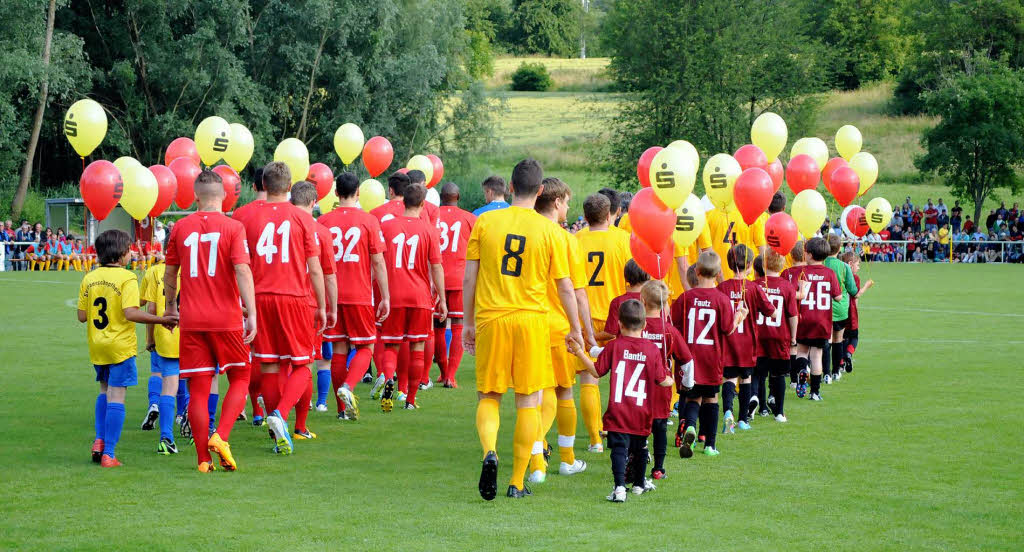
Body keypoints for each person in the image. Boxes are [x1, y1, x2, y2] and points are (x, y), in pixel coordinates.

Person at [464, 158, 583, 500]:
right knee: (528, 401)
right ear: (541, 191)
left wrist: (468, 322)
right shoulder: (550, 232)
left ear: (511, 187)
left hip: (492, 317)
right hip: (532, 321)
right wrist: (575, 329)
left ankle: (490, 451)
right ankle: (517, 481)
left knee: (489, 395)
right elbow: (564, 287)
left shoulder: (485, 221)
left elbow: (469, 276)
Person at [163, 170, 255, 472]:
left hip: (192, 319)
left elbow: (169, 274)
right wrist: (251, 312)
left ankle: (203, 460)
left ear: (195, 195)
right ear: (224, 195)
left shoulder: (180, 227)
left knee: (199, 391)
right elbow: (242, 271)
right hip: (226, 318)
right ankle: (222, 436)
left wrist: (171, 308)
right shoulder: (233, 227)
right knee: (241, 376)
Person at [237, 161, 326, 456]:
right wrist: (323, 306)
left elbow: (239, 264)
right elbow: (315, 268)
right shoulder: (302, 219)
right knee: (302, 362)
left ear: (263, 183)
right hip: (293, 297)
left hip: (260, 298)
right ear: (289, 187)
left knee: (270, 364)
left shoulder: (245, 217)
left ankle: (278, 433)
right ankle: (281, 415)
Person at [78, 229, 178, 467]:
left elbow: (82, 316)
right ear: (121, 254)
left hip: (97, 344)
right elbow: (131, 313)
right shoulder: (126, 278)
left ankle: (99, 440)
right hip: (120, 346)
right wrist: (163, 320)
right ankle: (109, 454)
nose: (132, 253)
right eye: (129, 249)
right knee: (117, 397)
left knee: (104, 391)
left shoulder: (89, 277)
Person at [571, 299, 672, 502]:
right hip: (642, 410)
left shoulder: (614, 346)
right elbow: (663, 381)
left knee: (619, 449)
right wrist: (670, 376)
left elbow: (597, 371)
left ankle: (619, 488)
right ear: (644, 325)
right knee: (641, 447)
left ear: (619, 324)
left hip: (618, 409)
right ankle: (638, 485)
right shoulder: (652, 349)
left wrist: (579, 352)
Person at [528, 177, 593, 484]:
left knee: (535, 395)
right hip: (557, 326)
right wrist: (585, 330)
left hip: (528, 324)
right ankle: (565, 459)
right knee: (564, 390)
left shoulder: (524, 231)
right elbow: (576, 291)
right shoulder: (566, 239)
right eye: (567, 202)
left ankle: (537, 458)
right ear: (556, 203)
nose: (569, 207)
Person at [319, 172, 390, 420]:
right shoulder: (369, 221)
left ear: (336, 193)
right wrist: (386, 296)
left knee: (338, 348)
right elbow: (379, 261)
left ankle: (342, 411)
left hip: (332, 294)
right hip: (359, 293)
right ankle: (348, 387)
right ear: (358, 192)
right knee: (366, 346)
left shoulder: (324, 221)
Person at [671, 250, 747, 458]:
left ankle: (691, 427)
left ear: (696, 271)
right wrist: (740, 315)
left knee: (693, 399)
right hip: (712, 358)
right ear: (718, 273)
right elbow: (728, 329)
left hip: (689, 359)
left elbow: (673, 327)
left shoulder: (685, 298)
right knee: (712, 399)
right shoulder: (722, 300)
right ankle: (710, 445)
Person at [378, 183, 446, 411]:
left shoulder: (387, 227)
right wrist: (442, 299)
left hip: (393, 294)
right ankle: (410, 399)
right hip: (419, 296)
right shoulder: (429, 230)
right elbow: (436, 266)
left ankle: (389, 379)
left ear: (403, 201)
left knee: (391, 346)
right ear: (423, 204)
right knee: (417, 346)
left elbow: (377, 261)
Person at [575, 193, 632, 452]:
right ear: (612, 215)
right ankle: (621, 429)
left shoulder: (574, 240)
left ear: (585, 217)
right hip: (617, 318)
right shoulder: (623, 240)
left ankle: (595, 440)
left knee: (590, 378)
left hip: (583, 317)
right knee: (622, 376)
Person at [290, 181, 339, 438]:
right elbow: (327, 274)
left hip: (273, 299)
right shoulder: (319, 230)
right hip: (306, 302)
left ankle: (261, 413)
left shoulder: (275, 225)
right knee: (307, 362)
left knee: (274, 363)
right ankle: (296, 423)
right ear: (313, 203)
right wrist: (330, 307)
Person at [638, 280, 691, 480]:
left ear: (642, 301)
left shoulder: (635, 326)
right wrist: (687, 383)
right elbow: (686, 359)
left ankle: (636, 463)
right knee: (660, 427)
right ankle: (659, 468)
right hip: (662, 387)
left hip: (638, 386)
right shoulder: (669, 330)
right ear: (664, 304)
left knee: (638, 428)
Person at [718, 244, 774, 432]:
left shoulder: (722, 288)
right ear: (750, 265)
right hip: (748, 343)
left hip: (728, 341)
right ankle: (743, 420)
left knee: (729, 379)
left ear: (728, 264)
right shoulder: (754, 288)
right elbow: (772, 312)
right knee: (746, 379)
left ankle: (727, 412)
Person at [231, 166, 267, 424]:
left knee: (245, 350)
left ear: (253, 186)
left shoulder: (240, 215)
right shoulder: (289, 215)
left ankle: (247, 405)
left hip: (245, 290)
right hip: (279, 291)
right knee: (272, 356)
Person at [139, 252, 184, 455]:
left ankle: (166, 438)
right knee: (198, 381)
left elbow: (150, 306)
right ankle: (192, 422)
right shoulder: (194, 270)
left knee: (167, 383)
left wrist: (150, 338)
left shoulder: (155, 271)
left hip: (166, 331)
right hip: (194, 333)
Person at [435, 182, 476, 388]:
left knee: (438, 326)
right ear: (458, 196)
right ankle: (451, 376)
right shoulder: (469, 218)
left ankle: (442, 373)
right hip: (460, 278)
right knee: (458, 325)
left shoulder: (431, 214)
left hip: (436, 280)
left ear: (442, 197)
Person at [793, 237, 842, 401]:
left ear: (810, 255)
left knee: (801, 351)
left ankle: (801, 370)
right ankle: (814, 392)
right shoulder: (830, 273)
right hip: (822, 321)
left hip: (804, 318)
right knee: (816, 356)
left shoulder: (801, 272)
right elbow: (838, 297)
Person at [753, 251, 798, 422]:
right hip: (779, 337)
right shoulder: (787, 286)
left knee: (758, 374)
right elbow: (792, 315)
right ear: (782, 265)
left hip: (758, 336)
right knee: (778, 375)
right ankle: (779, 411)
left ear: (763, 265)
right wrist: (793, 337)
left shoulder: (754, 284)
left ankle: (761, 406)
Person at [823, 235, 858, 383]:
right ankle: (836, 371)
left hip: (823, 308)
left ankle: (826, 373)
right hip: (840, 309)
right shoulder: (844, 267)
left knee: (826, 341)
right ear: (839, 249)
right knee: (838, 339)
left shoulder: (821, 263)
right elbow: (853, 290)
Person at [839, 252, 873, 372]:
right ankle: (848, 354)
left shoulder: (839, 275)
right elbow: (856, 295)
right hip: (851, 312)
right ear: (850, 264)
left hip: (840, 311)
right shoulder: (855, 278)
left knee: (842, 337)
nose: (858, 267)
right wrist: (866, 286)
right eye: (858, 265)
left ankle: (841, 362)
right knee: (854, 337)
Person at [599, 260, 649, 340]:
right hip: (650, 348)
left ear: (626, 278)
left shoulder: (618, 302)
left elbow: (611, 333)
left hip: (625, 350)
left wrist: (590, 337)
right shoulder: (653, 298)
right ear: (648, 276)